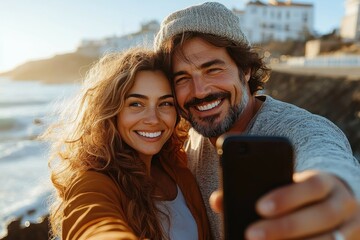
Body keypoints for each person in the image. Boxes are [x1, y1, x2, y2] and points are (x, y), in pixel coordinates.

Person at [154, 2, 360, 239]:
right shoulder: (188, 140)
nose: (199, 91)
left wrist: (341, 190)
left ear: (246, 70)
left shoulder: (293, 128)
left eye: (213, 70)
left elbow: (324, 153)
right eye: (182, 78)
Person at [42, 47, 212, 240]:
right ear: (112, 111)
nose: (153, 119)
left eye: (165, 103)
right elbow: (92, 225)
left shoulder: (178, 167)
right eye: (136, 104)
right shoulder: (94, 180)